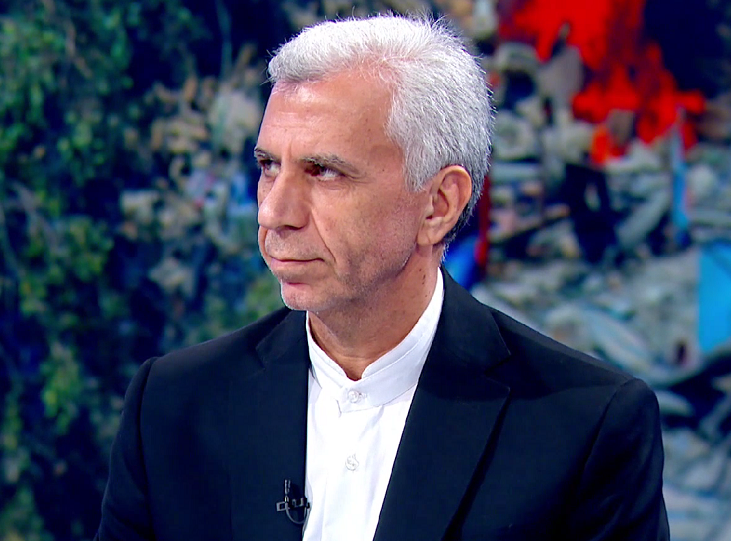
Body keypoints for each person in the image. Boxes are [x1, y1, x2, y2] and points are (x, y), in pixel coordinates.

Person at [95, 14, 669, 541]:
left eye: (323, 171)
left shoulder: (586, 429)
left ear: (439, 204)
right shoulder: (172, 405)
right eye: (269, 166)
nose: (274, 212)